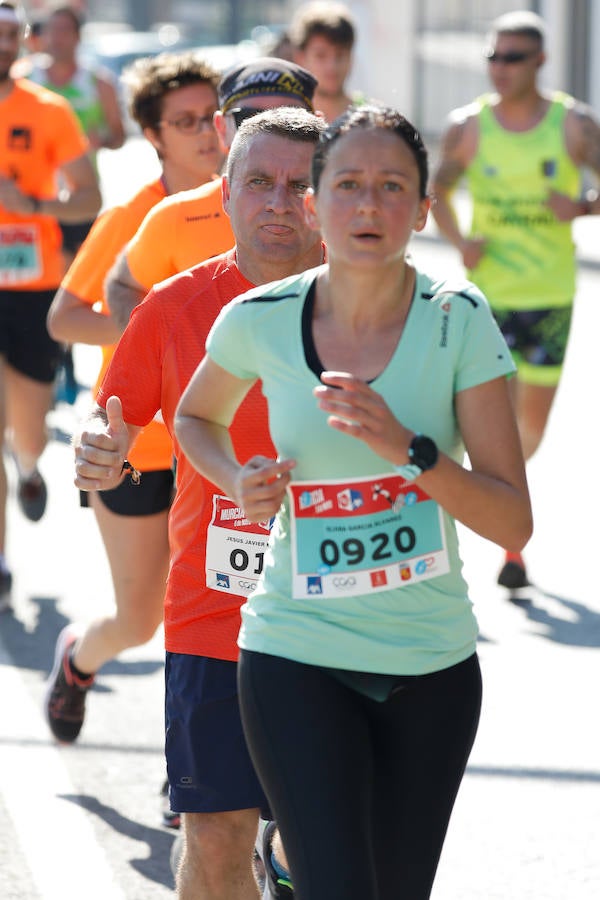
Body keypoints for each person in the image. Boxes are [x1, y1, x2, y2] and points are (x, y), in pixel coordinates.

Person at [174, 105, 533, 900]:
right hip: (295, 653)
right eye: (348, 186)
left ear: (424, 209)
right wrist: (236, 479)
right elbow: (194, 417)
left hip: (430, 665)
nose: (368, 207)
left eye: (391, 187)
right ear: (315, 204)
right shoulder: (261, 320)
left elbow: (513, 518)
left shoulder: (457, 321)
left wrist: (410, 450)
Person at [72, 107, 325, 899]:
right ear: (225, 191)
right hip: (218, 616)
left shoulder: (378, 303)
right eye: (259, 182)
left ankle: (291, 862)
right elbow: (109, 425)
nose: (279, 202)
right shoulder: (179, 305)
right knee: (216, 841)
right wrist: (99, 456)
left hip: (352, 621)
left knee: (324, 850)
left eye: (301, 184)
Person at [44, 51, 222, 759]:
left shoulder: (255, 206)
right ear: (153, 134)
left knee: (209, 614)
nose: (208, 132)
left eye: (213, 116)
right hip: (137, 449)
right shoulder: (134, 216)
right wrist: (158, 332)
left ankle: (189, 768)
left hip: (219, 448)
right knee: (141, 620)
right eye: (186, 122)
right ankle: (79, 659)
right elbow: (63, 318)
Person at [430, 10, 600, 589]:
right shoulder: (469, 126)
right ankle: (507, 542)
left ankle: (499, 495)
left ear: (540, 62)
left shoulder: (574, 124)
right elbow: (440, 191)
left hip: (550, 297)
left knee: (531, 432)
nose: (500, 68)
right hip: (489, 299)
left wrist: (580, 207)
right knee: (487, 420)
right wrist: (461, 242)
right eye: (493, 57)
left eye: (513, 58)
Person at [0, 0, 100, 599]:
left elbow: (89, 197)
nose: (3, 44)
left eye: (11, 34)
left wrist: (34, 206)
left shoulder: (49, 112)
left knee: (29, 431)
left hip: (31, 288)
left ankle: (30, 466)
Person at [104, 57, 317, 331]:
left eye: (288, 119)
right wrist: (171, 350)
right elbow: (122, 286)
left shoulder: (345, 214)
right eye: (249, 118)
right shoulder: (177, 215)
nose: (270, 133)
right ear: (220, 128)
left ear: (318, 126)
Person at [27, 5, 127, 405]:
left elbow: (120, 134)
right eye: (52, 30)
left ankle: (64, 365)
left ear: (78, 35)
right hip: (34, 205)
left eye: (67, 30)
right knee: (46, 282)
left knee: (71, 283)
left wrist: (99, 140)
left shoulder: (96, 83)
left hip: (80, 202)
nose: (59, 38)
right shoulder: (25, 80)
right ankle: (52, 366)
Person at [288, 1, 364, 122]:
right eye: (321, 55)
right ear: (300, 58)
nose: (331, 66)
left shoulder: (371, 120)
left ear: (351, 57)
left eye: (340, 55)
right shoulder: (287, 122)